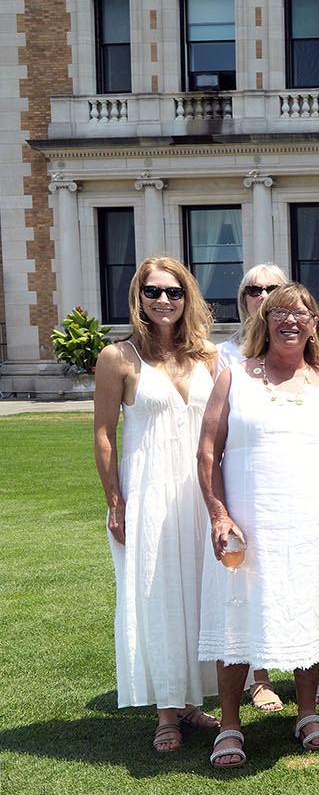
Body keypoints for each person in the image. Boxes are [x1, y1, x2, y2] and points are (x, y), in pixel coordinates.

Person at [197, 283, 319, 767]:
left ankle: (307, 712)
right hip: (249, 521)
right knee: (237, 616)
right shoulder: (234, 377)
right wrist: (219, 513)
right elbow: (208, 449)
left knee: (309, 606)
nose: (291, 321)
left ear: (315, 324)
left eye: (301, 313)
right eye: (279, 312)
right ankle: (229, 724)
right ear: (263, 321)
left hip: (308, 524)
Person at [92, 257, 220, 753]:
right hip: (148, 490)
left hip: (200, 491)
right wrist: (115, 501)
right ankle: (167, 711)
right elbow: (104, 434)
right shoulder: (117, 357)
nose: (163, 300)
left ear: (187, 297)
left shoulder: (207, 355)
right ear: (138, 298)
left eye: (173, 292)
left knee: (199, 590)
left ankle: (192, 702)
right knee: (156, 593)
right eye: (153, 292)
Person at [211, 262, 303, 712]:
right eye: (254, 289)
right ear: (242, 297)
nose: (263, 295)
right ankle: (258, 678)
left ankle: (300, 667)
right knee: (246, 586)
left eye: (274, 289)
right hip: (242, 484)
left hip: (289, 486)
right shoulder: (223, 357)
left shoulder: (303, 355)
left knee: (292, 581)